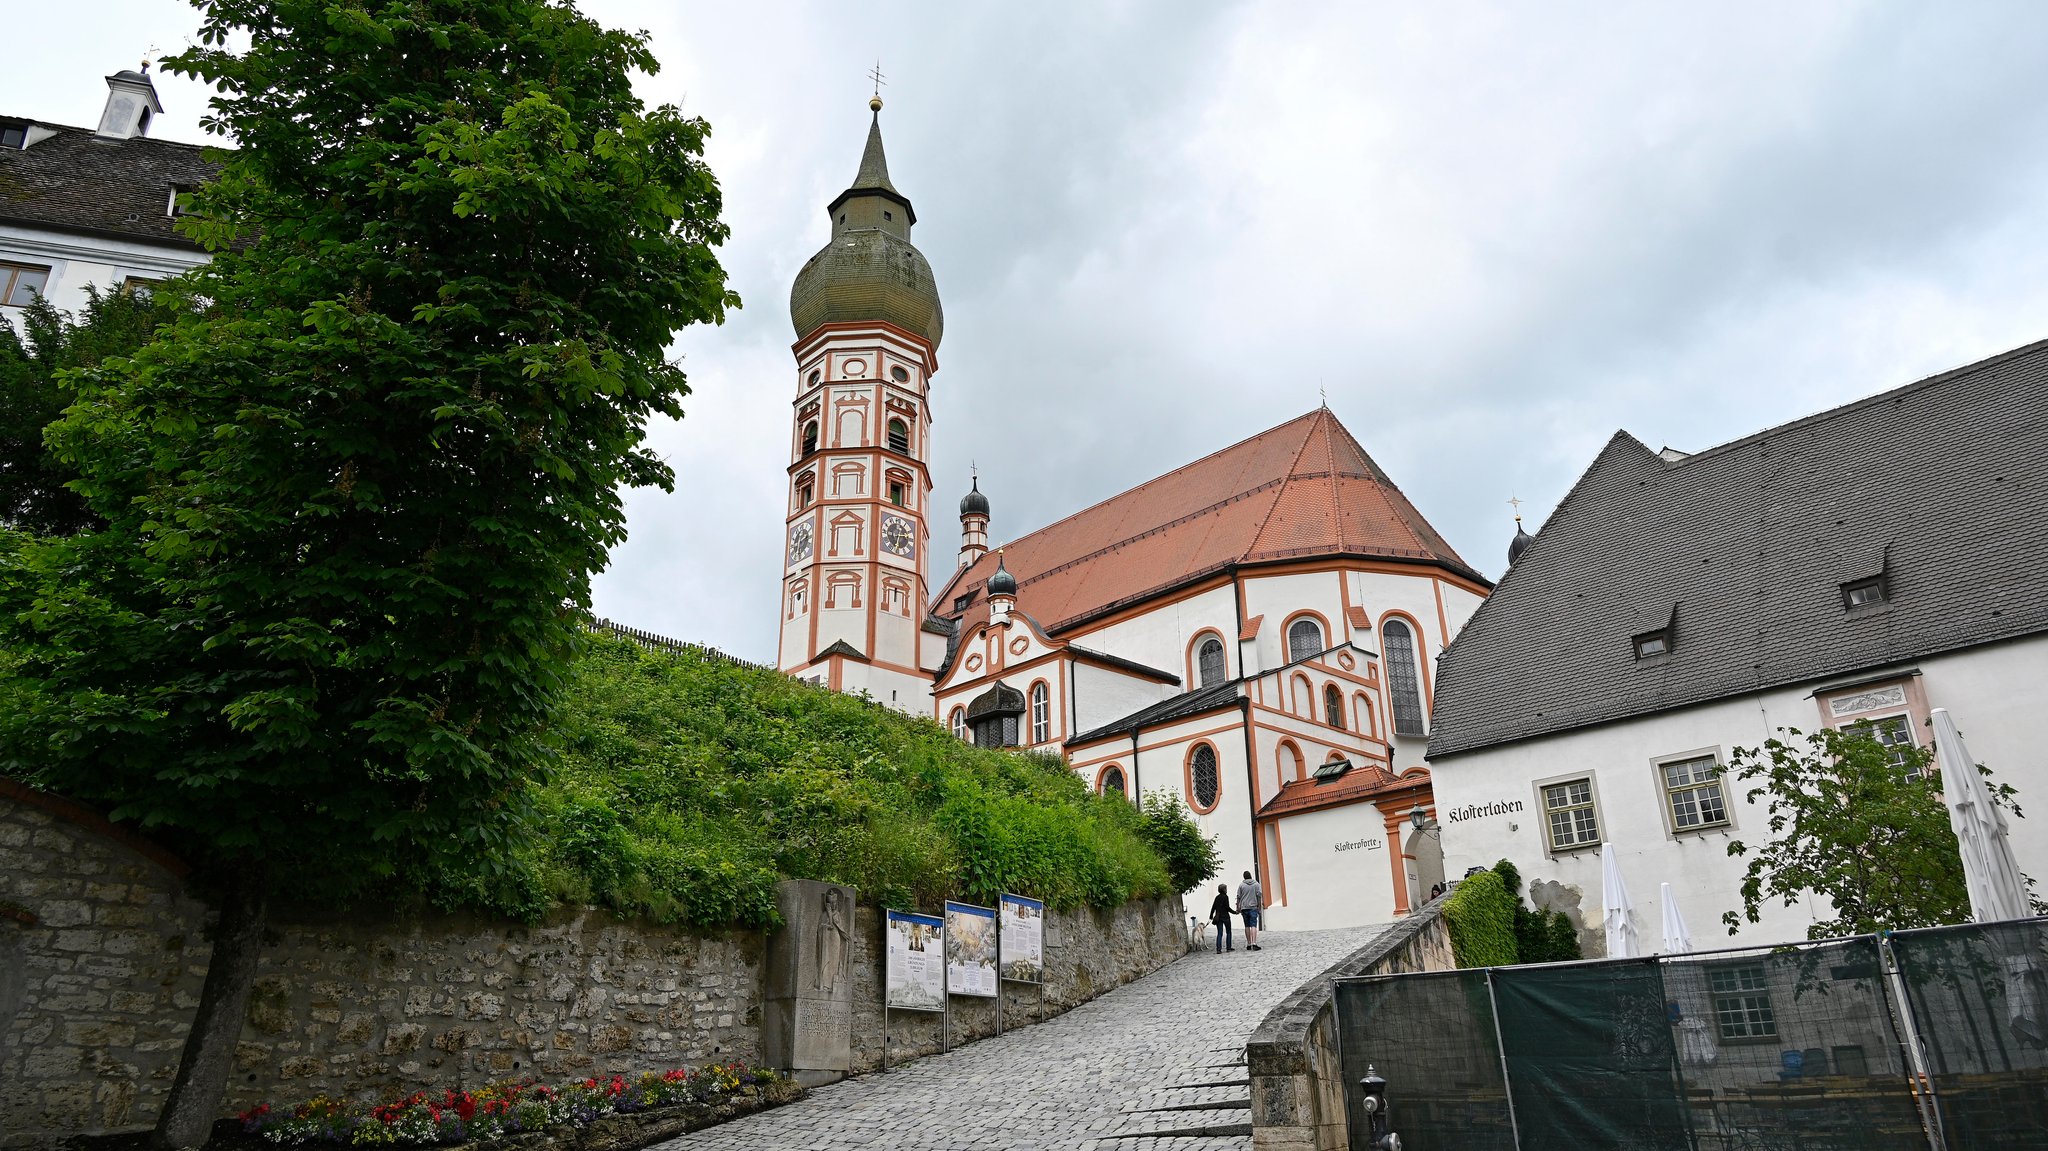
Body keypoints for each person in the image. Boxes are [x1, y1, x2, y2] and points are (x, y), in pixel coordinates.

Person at [1237, 870, 1264, 951]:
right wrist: (1259, 906)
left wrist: (1238, 907)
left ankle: (1248, 943)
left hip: (1244, 908)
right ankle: (1254, 943)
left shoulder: (1241, 885)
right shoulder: (1256, 884)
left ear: (1244, 877)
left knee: (1247, 926)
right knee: (1253, 925)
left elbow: (1238, 896)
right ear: (1251, 876)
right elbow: (1259, 896)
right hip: (1253, 907)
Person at [1209, 884, 1234, 953]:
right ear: (1224, 889)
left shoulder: (1217, 897)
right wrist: (1234, 912)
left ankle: (1218, 949)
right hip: (1226, 917)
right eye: (1226, 888)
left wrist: (1211, 916)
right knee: (1228, 932)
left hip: (1218, 917)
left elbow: (1213, 907)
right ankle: (1228, 948)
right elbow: (1227, 907)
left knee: (1219, 933)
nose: (1226, 890)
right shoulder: (1226, 897)